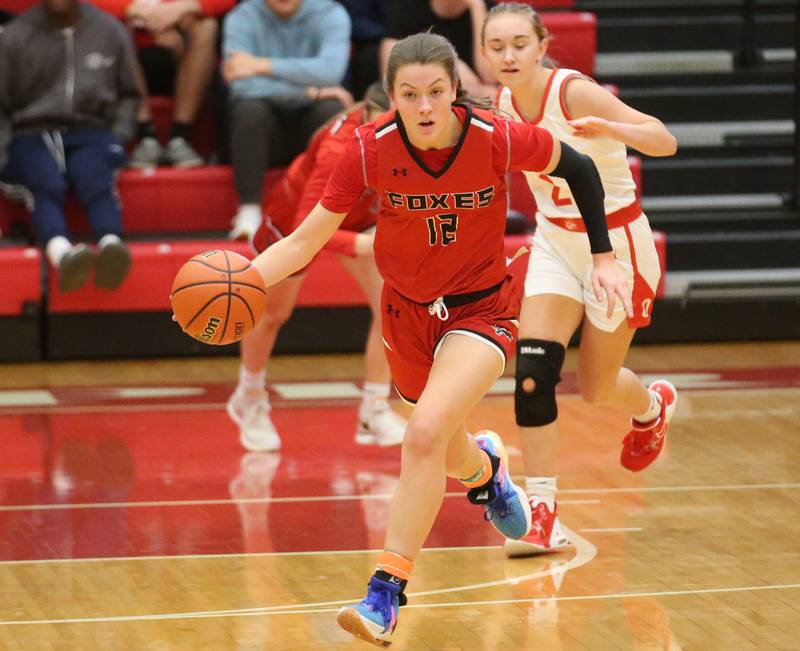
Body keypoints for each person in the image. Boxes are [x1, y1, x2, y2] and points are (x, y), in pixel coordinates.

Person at [237, 31, 631, 646]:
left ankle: (384, 594)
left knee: (422, 434)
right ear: (391, 97)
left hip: (481, 310)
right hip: (406, 314)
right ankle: (488, 473)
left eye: (436, 92)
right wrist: (244, 280)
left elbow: (576, 165)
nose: (424, 107)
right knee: (439, 438)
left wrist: (603, 257)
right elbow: (305, 238)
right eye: (410, 94)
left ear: (456, 92)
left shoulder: (493, 136)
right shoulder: (369, 149)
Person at [481, 3, 679, 557]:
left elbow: (664, 139)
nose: (509, 55)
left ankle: (651, 409)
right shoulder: (499, 103)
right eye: (496, 47)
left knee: (595, 387)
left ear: (542, 44)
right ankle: (541, 513)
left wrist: (613, 127)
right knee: (532, 374)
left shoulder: (572, 91)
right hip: (554, 243)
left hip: (616, 245)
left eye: (520, 43)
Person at [227, 83, 407, 452]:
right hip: (297, 222)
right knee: (272, 315)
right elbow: (307, 229)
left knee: (393, 307)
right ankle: (249, 397)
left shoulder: (417, 134)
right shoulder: (337, 150)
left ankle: (373, 409)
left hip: (361, 219)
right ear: (365, 118)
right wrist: (368, 243)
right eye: (383, 128)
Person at [0, 0, 140, 292]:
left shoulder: (109, 30)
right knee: (44, 179)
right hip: (31, 131)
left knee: (94, 175)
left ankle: (112, 244)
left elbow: (130, 93)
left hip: (93, 129)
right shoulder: (14, 36)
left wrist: (119, 134)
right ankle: (61, 252)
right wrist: (3, 149)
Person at [223, 0, 353, 241]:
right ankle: (249, 212)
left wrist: (261, 65)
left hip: (309, 128)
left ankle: (330, 211)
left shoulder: (330, 13)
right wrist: (310, 92)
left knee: (331, 110)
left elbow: (330, 71)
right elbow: (241, 85)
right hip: (265, 132)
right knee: (248, 109)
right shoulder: (241, 17)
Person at [91, 0, 230, 168]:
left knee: (206, 26)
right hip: (128, 50)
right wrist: (140, 13)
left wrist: (182, 8)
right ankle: (146, 136)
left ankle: (180, 137)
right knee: (113, 27)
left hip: (185, 50)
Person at [381, 0, 496, 97]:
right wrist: (447, 64)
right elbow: (389, 75)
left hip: (475, 101)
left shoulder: (489, 11)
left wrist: (477, 8)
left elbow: (490, 76)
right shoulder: (407, 8)